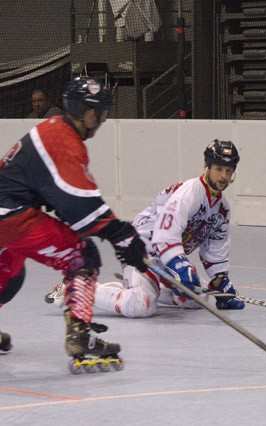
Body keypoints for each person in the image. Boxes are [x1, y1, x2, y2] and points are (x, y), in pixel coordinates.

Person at [0, 77, 148, 369]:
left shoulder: (52, 129)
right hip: (12, 217)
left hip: (7, 214)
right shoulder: (63, 139)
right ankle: (80, 335)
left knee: (10, 272)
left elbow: (58, 196)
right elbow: (80, 202)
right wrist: (122, 235)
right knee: (82, 255)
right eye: (100, 113)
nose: (102, 120)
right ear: (85, 111)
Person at [45, 140, 246, 317]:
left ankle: (146, 285)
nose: (223, 176)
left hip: (165, 257)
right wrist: (180, 267)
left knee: (196, 300)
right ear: (207, 167)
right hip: (142, 248)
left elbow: (215, 250)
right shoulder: (190, 193)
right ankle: (76, 287)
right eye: (219, 169)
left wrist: (221, 281)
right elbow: (165, 235)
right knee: (141, 305)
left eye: (228, 171)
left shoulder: (222, 209)